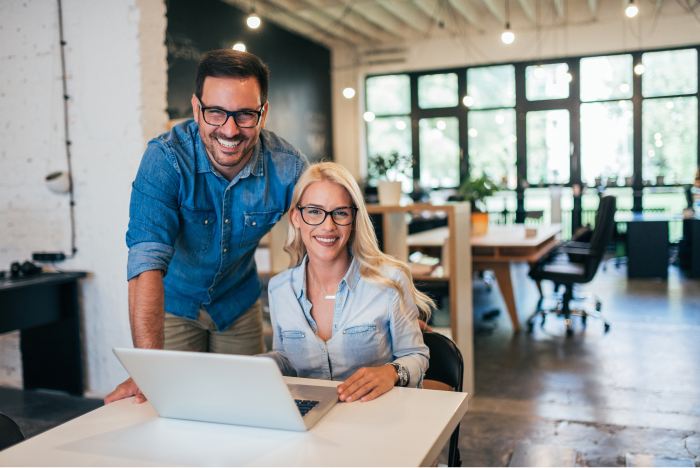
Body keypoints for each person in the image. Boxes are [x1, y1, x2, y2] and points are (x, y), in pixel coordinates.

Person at [104, 49, 308, 404]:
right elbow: (145, 262)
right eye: (216, 112)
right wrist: (148, 368)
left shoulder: (287, 167)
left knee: (246, 407)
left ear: (263, 112)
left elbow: (332, 236)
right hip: (173, 304)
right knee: (172, 407)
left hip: (238, 304)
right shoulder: (165, 160)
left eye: (245, 115)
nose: (229, 130)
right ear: (197, 108)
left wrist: (387, 303)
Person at [261, 162, 432, 403]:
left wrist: (392, 372)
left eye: (340, 213)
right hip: (309, 418)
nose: (328, 226)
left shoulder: (389, 281)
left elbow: (416, 355)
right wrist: (257, 365)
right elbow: (286, 359)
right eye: (314, 211)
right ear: (296, 218)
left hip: (374, 418)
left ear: (353, 220)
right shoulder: (279, 289)